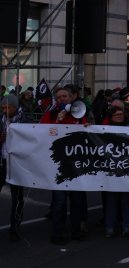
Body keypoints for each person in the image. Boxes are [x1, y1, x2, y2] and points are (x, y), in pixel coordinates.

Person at [41, 86, 88, 245]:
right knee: (59, 201)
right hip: (58, 165)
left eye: (65, 96)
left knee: (76, 201)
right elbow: (43, 133)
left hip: (76, 165)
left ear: (71, 98)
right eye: (59, 97)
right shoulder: (50, 114)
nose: (62, 99)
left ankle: (75, 230)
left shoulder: (79, 113)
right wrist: (57, 121)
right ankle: (58, 232)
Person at [104, 107, 129, 238]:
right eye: (116, 115)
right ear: (111, 117)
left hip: (126, 169)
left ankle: (127, 226)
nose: (119, 116)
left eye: (121, 114)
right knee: (111, 201)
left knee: (126, 200)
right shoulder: (104, 129)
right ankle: (110, 227)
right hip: (111, 170)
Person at [0, 93, 25, 241]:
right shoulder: (1, 120)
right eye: (3, 107)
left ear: (16, 107)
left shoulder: (24, 120)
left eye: (9, 107)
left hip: (17, 163)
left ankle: (15, 227)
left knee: (17, 198)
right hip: (2, 162)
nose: (5, 110)